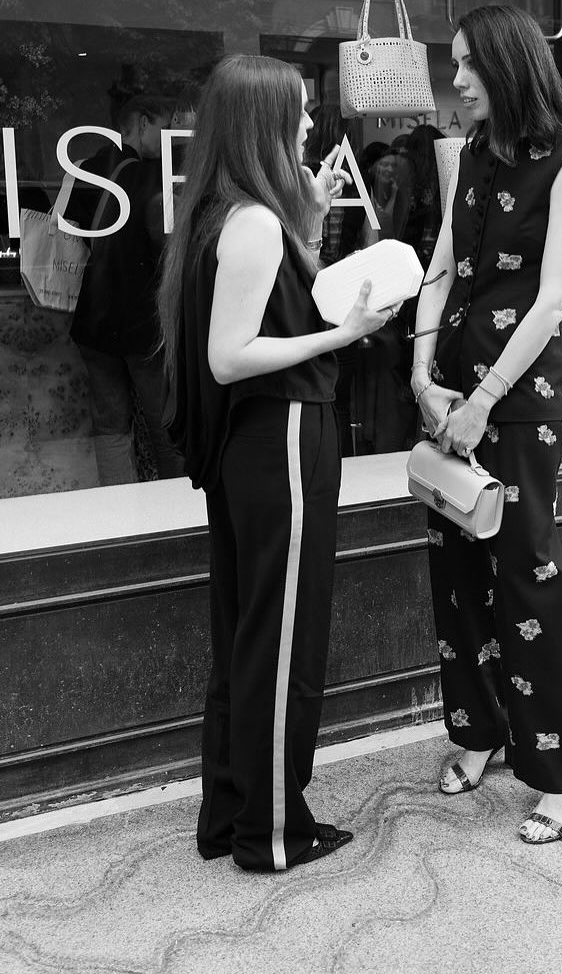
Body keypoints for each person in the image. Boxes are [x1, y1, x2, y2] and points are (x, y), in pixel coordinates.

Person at [157, 54, 391, 872]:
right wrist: (346, 335)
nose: (308, 126)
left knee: (249, 636)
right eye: (298, 112)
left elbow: (279, 300)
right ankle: (273, 833)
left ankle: (231, 820)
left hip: (257, 447)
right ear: (263, 123)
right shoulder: (251, 221)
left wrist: (312, 222)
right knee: (285, 641)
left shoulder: (232, 214)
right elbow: (233, 354)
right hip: (285, 437)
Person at [410, 5, 562, 845]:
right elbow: (441, 271)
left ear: (505, 64)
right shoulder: (468, 158)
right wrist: (422, 377)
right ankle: (479, 731)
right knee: (455, 572)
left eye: (464, 66)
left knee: (525, 573)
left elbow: (552, 298)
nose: (454, 81)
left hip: (518, 401)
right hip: (449, 394)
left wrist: (485, 398)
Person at [67, 95, 184, 485]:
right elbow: (167, 249)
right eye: (165, 129)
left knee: (110, 425)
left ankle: (118, 516)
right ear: (144, 122)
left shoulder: (90, 168)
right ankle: (174, 520)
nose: (167, 141)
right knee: (163, 427)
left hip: (95, 316)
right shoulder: (154, 177)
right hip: (142, 321)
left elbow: (72, 229)